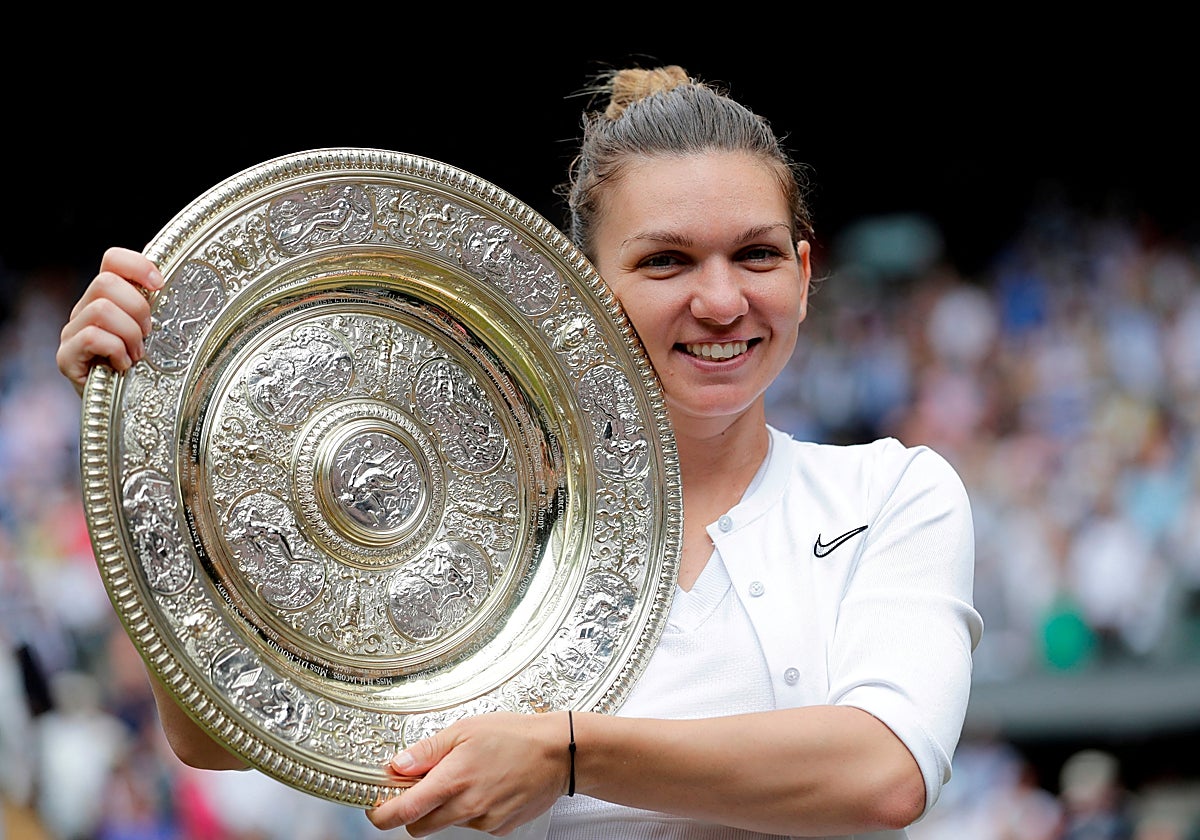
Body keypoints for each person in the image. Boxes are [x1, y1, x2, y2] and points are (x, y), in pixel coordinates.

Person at [57, 64, 984, 839]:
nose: (719, 301)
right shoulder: (459, 529)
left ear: (805, 274)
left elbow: (885, 772)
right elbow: (218, 735)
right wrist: (133, 429)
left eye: (756, 255)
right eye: (665, 261)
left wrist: (566, 754)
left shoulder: (890, 493)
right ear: (581, 289)